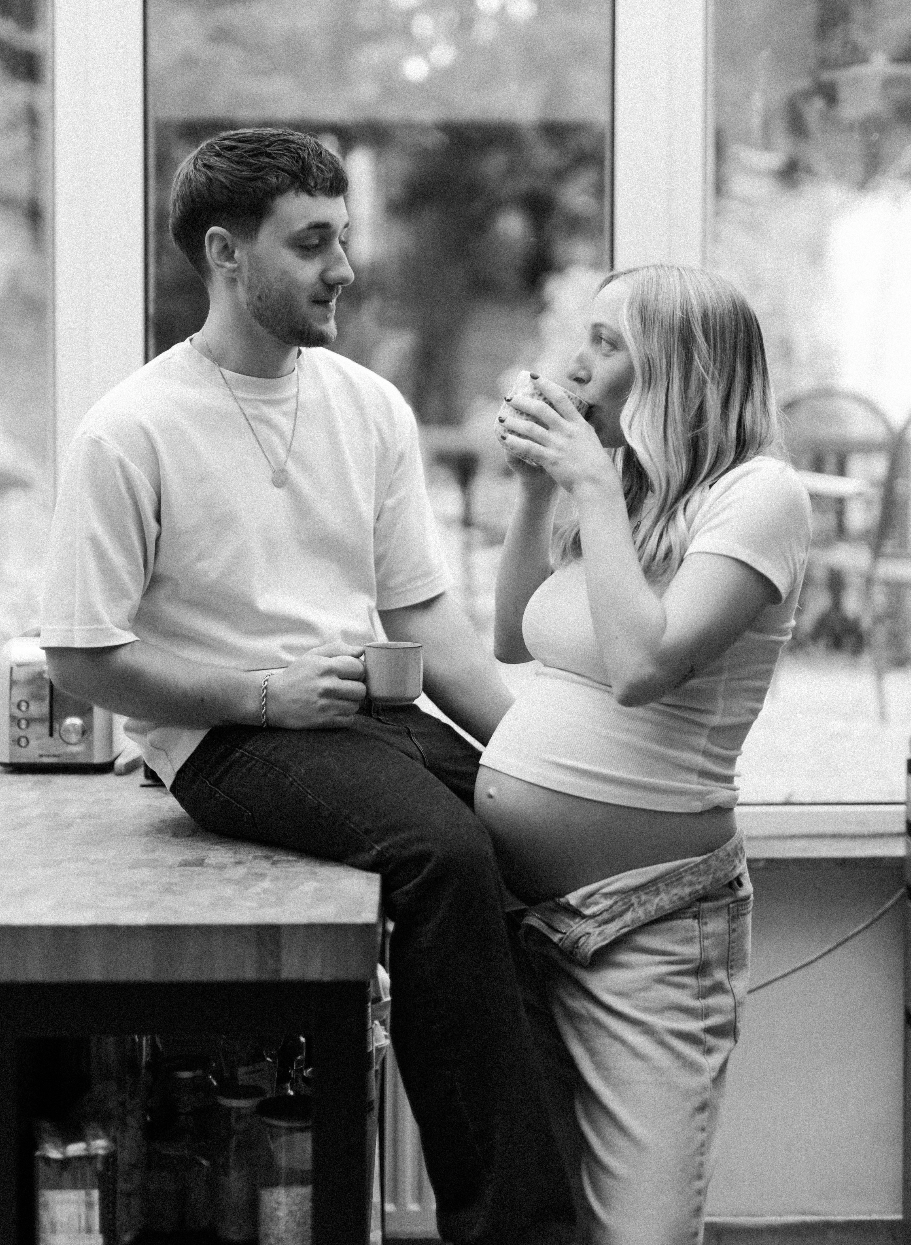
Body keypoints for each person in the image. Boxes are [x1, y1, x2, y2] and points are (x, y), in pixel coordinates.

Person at [40, 127, 576, 1245]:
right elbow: (82, 657)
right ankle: (519, 1231)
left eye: (346, 237)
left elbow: (421, 614)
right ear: (226, 254)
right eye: (314, 241)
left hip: (358, 711)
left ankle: (575, 1194)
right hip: (226, 734)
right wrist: (260, 695)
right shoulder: (127, 429)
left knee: (524, 823)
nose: (344, 266)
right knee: (443, 853)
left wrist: (545, 759)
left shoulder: (366, 405)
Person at [476, 264, 812, 1245]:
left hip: (650, 929)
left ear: (682, 368)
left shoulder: (759, 497)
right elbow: (509, 633)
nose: (575, 363)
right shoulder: (622, 490)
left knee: (641, 1232)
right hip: (520, 911)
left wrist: (588, 480)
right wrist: (543, 494)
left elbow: (640, 665)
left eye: (608, 342)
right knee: (545, 1221)